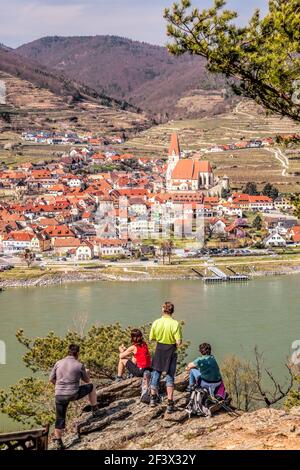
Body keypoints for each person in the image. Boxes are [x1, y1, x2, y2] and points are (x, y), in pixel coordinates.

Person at [49, 343, 98, 450]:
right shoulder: (79, 365)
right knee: (91, 386)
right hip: (73, 394)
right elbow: (87, 381)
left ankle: (58, 441)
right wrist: (87, 372)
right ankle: (95, 409)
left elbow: (51, 379)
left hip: (59, 395)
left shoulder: (58, 363)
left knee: (60, 418)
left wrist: (59, 386)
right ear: (78, 353)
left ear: (68, 352)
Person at [149, 301, 182, 413]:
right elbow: (178, 341)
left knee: (156, 373)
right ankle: (170, 403)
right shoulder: (175, 324)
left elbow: (151, 338)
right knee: (170, 376)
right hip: (171, 350)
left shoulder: (156, 322)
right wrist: (176, 343)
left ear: (163, 310)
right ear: (172, 311)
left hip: (159, 349)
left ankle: (153, 399)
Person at [116, 329, 152, 396]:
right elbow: (138, 355)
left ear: (132, 337)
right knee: (134, 356)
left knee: (122, 360)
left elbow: (121, 356)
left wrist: (121, 350)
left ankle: (119, 378)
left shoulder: (133, 347)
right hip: (149, 369)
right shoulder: (144, 344)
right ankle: (130, 374)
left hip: (140, 372)